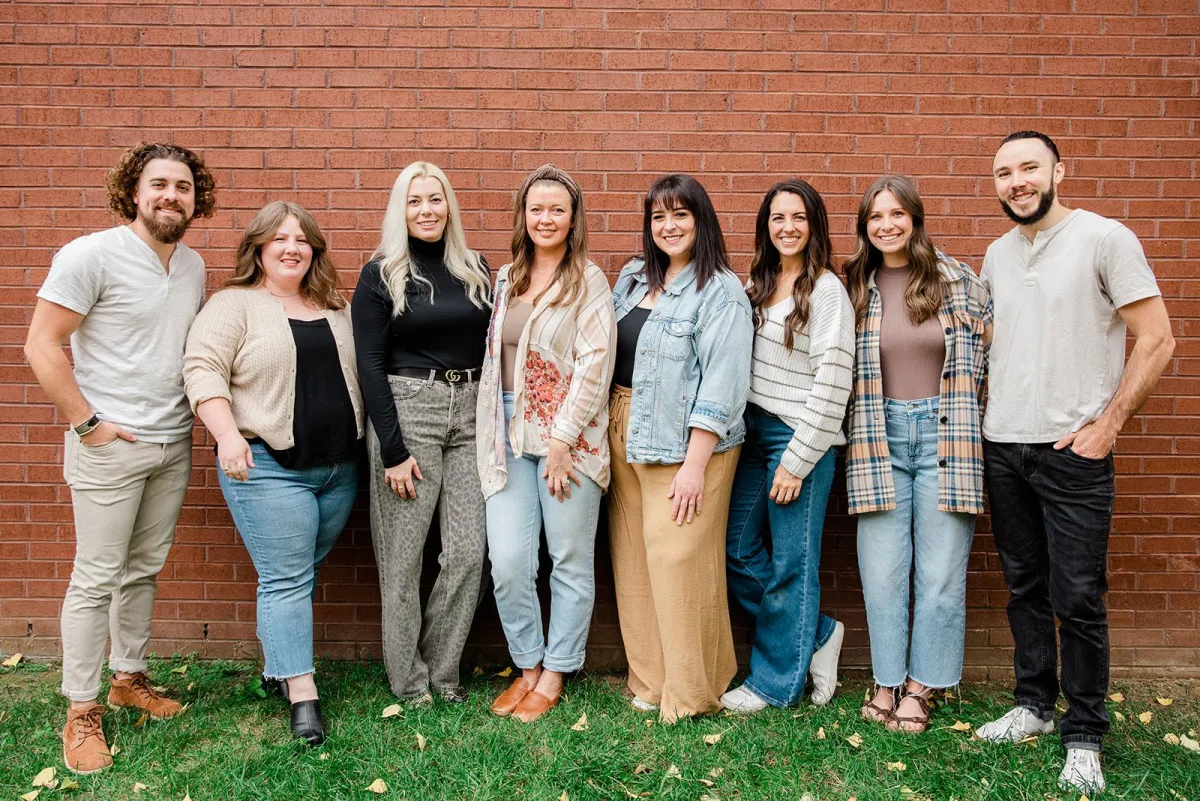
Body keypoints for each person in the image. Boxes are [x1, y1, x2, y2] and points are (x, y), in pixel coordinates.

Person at [973, 131, 1175, 794]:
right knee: (1024, 587)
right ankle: (1033, 703)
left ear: (1059, 170)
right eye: (1004, 173)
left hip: (1072, 453)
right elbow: (1000, 339)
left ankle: (1084, 732)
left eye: (1029, 167)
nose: (1017, 181)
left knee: (1079, 597)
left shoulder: (1104, 239)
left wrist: (1108, 425)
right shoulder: (997, 254)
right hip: (1004, 445)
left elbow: (1157, 338)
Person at [24, 142, 215, 774]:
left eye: (183, 187)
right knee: (95, 576)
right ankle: (81, 710)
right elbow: (42, 345)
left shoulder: (191, 265)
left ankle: (128, 678)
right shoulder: (90, 255)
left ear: (196, 199)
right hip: (108, 447)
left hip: (172, 443)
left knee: (143, 570)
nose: (171, 196)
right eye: (159, 184)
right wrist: (88, 424)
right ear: (133, 191)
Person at [183, 201, 363, 746]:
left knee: (295, 573)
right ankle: (302, 694)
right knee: (287, 578)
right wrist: (227, 434)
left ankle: (277, 666)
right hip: (267, 468)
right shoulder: (233, 304)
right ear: (258, 248)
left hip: (339, 470)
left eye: (302, 239)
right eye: (280, 239)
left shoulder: (335, 306)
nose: (292, 248)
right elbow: (202, 369)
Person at [844, 175, 991, 735]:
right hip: (877, 435)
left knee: (940, 573)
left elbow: (990, 353)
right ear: (865, 226)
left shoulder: (956, 280)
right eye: (876, 217)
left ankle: (922, 686)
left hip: (946, 436)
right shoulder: (854, 285)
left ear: (914, 218)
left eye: (897, 214)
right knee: (882, 572)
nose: (887, 225)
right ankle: (886, 680)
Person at [608, 173, 753, 723]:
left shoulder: (721, 291)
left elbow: (723, 384)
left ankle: (692, 692)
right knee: (634, 562)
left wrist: (695, 465)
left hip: (688, 444)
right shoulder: (630, 279)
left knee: (679, 564)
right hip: (624, 430)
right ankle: (651, 681)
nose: (668, 226)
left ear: (701, 220)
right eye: (658, 217)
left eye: (680, 215)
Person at [477, 166, 615, 724]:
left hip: (568, 437)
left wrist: (561, 439)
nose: (546, 218)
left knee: (568, 558)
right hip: (508, 432)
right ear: (523, 215)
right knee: (508, 559)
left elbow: (595, 364)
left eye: (557, 209)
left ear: (573, 219)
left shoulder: (589, 280)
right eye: (536, 208)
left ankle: (556, 671)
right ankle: (528, 664)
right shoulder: (507, 277)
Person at [352, 162, 492, 706]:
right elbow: (369, 364)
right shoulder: (381, 274)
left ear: (449, 206)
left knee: (468, 552)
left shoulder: (475, 269)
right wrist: (392, 449)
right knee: (403, 558)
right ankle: (409, 682)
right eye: (415, 201)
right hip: (409, 412)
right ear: (400, 210)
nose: (427, 210)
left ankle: (442, 669)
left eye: (435, 199)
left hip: (471, 411)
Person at [720, 180, 854, 714]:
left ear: (814, 224)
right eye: (778, 217)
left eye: (798, 217)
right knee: (736, 550)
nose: (788, 227)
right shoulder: (758, 283)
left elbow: (833, 383)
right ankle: (816, 632)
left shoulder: (826, 291)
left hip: (799, 438)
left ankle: (773, 685)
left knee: (793, 565)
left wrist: (797, 461)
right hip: (753, 433)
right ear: (766, 226)